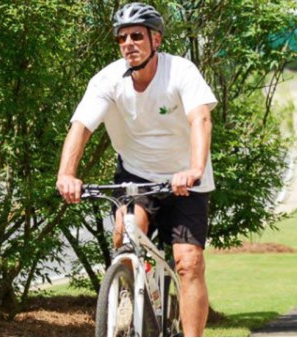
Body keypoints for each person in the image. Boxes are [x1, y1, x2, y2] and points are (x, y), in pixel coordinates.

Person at [55, 3, 216, 336]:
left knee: (189, 263)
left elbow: (200, 118)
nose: (129, 43)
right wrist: (66, 174)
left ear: (155, 39)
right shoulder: (108, 80)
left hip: (185, 179)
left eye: (137, 36)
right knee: (125, 238)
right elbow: (81, 127)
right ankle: (127, 293)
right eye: (122, 37)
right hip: (137, 176)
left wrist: (195, 169)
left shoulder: (181, 71)